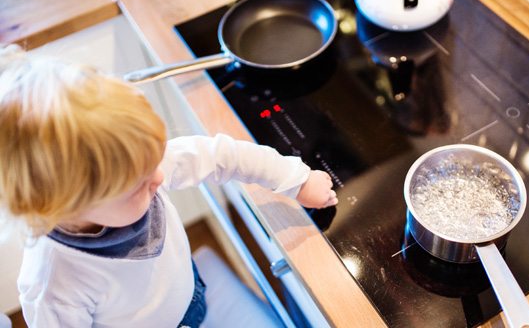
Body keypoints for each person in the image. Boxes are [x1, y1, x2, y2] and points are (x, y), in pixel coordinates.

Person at [0, 44, 338, 327]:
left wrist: (296, 179)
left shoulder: (135, 168)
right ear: (63, 204)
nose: (159, 178)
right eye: (139, 186)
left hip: (191, 294)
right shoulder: (53, 283)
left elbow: (223, 155)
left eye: (156, 159)